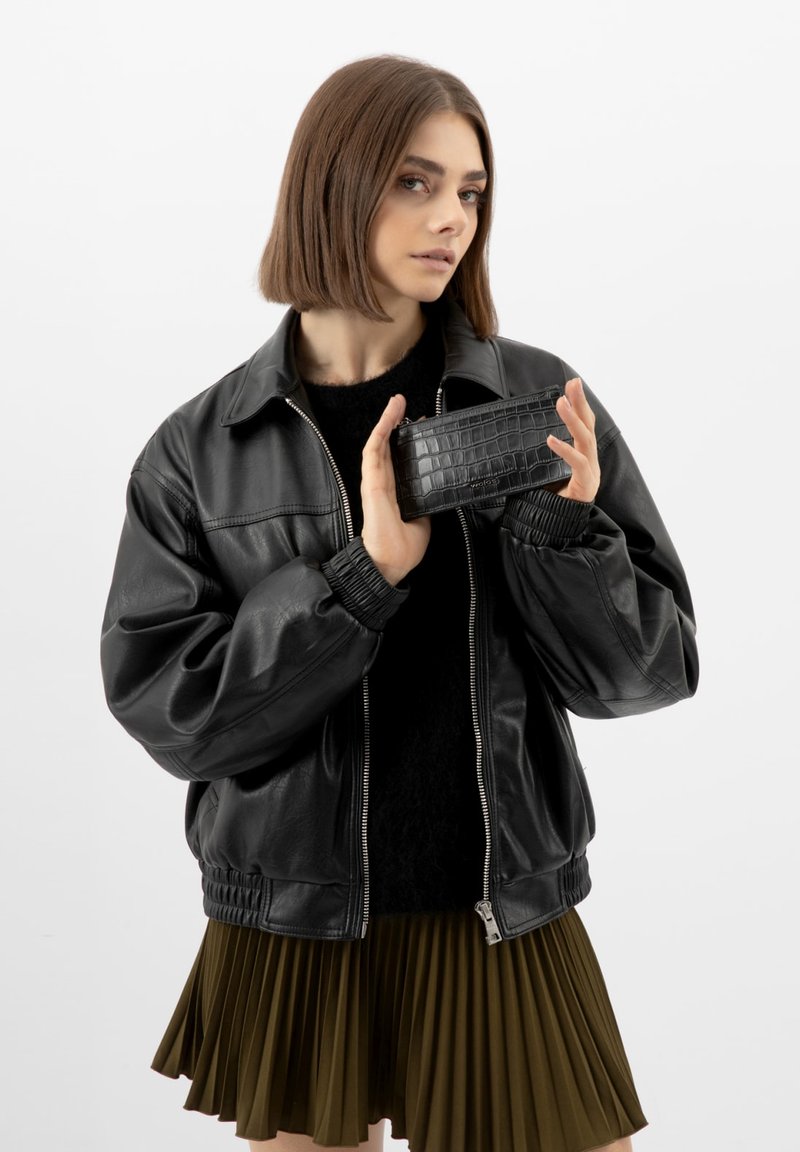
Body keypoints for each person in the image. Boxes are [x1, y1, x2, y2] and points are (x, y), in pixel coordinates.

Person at [101, 54, 698, 1152]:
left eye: (470, 191)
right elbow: (180, 718)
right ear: (332, 185)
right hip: (292, 918)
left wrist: (562, 537)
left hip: (500, 908)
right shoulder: (200, 450)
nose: (452, 218)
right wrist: (360, 580)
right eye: (415, 182)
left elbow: (646, 675)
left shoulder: (534, 404)